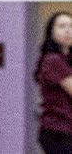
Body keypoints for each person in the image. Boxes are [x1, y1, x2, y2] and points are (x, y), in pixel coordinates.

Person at [35, 11, 72, 153]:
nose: (68, 30)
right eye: (62, 26)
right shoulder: (53, 60)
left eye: (71, 26)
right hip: (58, 131)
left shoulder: (66, 59)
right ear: (51, 32)